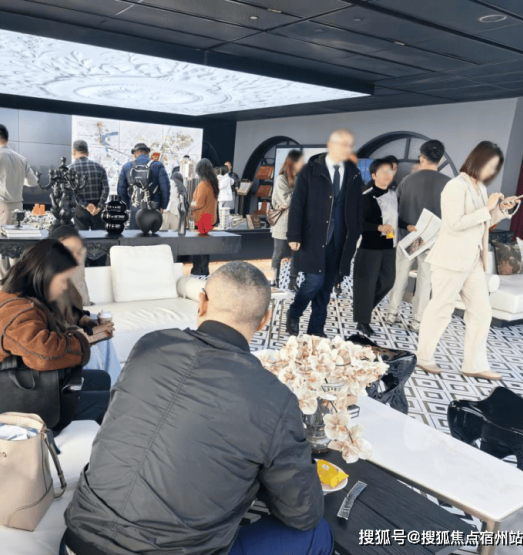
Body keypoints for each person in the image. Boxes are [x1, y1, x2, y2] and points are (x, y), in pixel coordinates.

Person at [64, 262, 330, 555]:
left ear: (201, 302)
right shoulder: (273, 398)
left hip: (76, 541)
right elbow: (303, 513)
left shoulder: (149, 346)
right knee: (317, 533)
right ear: (264, 320)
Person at [0, 238, 111, 431]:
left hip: (30, 383)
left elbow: (47, 335)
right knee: (112, 401)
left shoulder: (24, 299)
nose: (66, 287)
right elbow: (45, 354)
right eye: (63, 280)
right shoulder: (17, 311)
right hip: (19, 399)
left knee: (102, 379)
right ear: (45, 276)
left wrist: (86, 332)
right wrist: (84, 340)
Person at [416, 142, 520, 380]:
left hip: (474, 259)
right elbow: (455, 223)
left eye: (495, 168)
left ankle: (474, 364)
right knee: (441, 309)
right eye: (490, 165)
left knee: (482, 312)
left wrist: (501, 209)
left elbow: (484, 221)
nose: (491, 172)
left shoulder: (481, 188)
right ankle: (423, 357)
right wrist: (487, 207)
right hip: (450, 259)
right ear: (478, 160)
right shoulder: (455, 186)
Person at [286, 129, 364, 337]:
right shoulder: (310, 170)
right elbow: (297, 205)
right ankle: (294, 313)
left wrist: (355, 232)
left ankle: (316, 329)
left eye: (349, 145)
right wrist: (293, 235)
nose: (346, 149)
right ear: (331, 145)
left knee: (326, 286)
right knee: (314, 281)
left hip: (339, 240)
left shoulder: (354, 173)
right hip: (313, 237)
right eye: (342, 144)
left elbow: (357, 206)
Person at [385, 140, 450, 332]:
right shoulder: (449, 184)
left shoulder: (407, 181)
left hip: (408, 239)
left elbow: (393, 211)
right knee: (425, 280)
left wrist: (392, 236)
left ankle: (391, 314)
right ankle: (417, 321)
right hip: (432, 240)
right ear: (440, 159)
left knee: (399, 277)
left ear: (422, 158)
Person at [48, 225, 122, 384]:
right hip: (54, 336)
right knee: (91, 348)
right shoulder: (43, 278)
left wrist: (88, 321)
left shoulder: (65, 279)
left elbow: (72, 311)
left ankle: (114, 389)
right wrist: (81, 334)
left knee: (104, 334)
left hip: (67, 328)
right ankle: (95, 389)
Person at [352, 159, 398, 336]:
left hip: (389, 246)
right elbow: (358, 223)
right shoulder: (366, 197)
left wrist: (407, 225)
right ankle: (362, 321)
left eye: (390, 171)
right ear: (373, 175)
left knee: (388, 282)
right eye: (383, 171)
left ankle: (363, 309)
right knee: (366, 286)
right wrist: (378, 227)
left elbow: (394, 218)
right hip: (370, 248)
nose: (388, 175)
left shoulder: (393, 195)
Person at [270, 149, 304, 292]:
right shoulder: (281, 179)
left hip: (297, 223)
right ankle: (274, 281)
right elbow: (287, 200)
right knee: (278, 253)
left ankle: (292, 282)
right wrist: (298, 193)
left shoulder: (300, 178)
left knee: (296, 254)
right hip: (282, 223)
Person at [117, 142, 170, 230]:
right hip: (154, 207)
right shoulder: (158, 166)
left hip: (135, 206)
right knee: (152, 234)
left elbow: (121, 189)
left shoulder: (126, 167)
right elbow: (165, 188)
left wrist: (128, 205)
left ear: (135, 154)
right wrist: (163, 206)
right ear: (148, 153)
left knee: (135, 234)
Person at [67, 140, 109, 231]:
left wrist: (86, 205)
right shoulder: (99, 168)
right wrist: (99, 206)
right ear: (87, 153)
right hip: (97, 210)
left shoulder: (69, 169)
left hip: (80, 210)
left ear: (74, 152)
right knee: (99, 237)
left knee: (82, 237)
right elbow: (106, 189)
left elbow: (70, 192)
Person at [191, 158, 219, 276]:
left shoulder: (203, 184)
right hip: (209, 219)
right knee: (204, 248)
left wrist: (190, 205)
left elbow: (199, 203)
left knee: (198, 249)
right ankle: (204, 272)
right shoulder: (213, 183)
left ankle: (198, 272)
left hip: (202, 219)